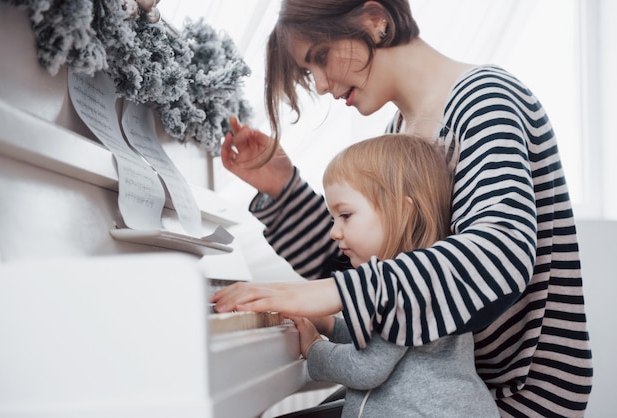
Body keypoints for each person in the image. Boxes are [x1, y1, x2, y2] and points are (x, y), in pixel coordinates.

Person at [210, 1, 594, 416]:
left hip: (510, 397)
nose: (320, 84)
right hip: (432, 383)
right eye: (309, 71)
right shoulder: (402, 131)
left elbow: (496, 257)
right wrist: (284, 191)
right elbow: (374, 284)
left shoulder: (486, 102)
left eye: (320, 57)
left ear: (376, 19)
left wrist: (330, 294)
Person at [289, 133, 500, 417]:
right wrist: (328, 325)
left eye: (346, 216)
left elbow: (366, 368)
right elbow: (379, 338)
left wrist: (314, 350)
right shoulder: (411, 279)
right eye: (332, 218)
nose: (334, 232)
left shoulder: (409, 289)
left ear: (402, 211)